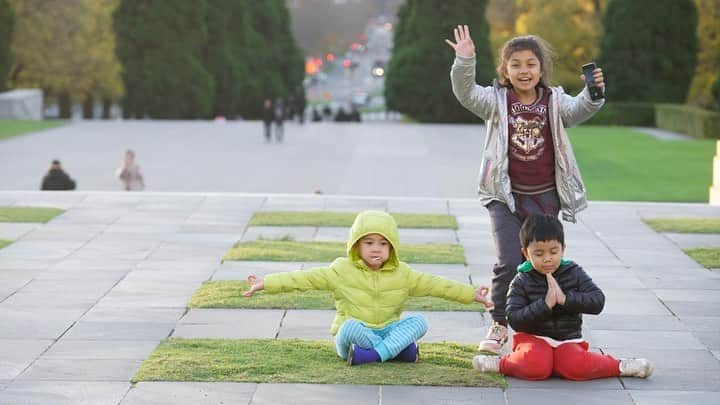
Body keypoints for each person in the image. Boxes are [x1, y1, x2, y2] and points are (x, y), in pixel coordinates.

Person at [446, 26, 606, 353]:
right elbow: (466, 93)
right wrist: (465, 61)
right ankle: (500, 323)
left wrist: (593, 94)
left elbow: (579, 110)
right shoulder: (496, 101)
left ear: (541, 69)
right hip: (504, 196)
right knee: (508, 261)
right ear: (505, 70)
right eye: (515, 64)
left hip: (545, 196)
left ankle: (545, 321)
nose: (523, 71)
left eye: (530, 64)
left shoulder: (554, 100)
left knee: (545, 260)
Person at [243, 210, 493, 366]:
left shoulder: (402, 273)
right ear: (356, 246)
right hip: (353, 335)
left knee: (419, 322)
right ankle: (397, 352)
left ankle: (373, 355)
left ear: (392, 248)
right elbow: (302, 279)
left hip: (386, 330)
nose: (376, 248)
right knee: (348, 326)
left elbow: (437, 286)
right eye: (369, 242)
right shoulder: (340, 270)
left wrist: (472, 295)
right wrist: (265, 283)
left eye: (383, 243)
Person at [472, 215, 653, 380]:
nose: (548, 259)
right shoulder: (521, 279)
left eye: (553, 251)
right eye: (539, 253)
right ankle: (502, 364)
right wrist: (545, 305)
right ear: (526, 253)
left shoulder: (573, 272)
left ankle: (620, 366)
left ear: (563, 249)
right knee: (536, 367)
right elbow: (514, 319)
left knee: (574, 366)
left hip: (567, 339)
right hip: (533, 339)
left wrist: (565, 299)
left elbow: (598, 301)